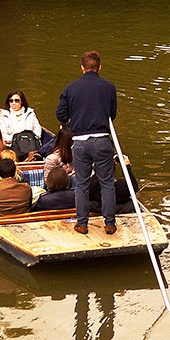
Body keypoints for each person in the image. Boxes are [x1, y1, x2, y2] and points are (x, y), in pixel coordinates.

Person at [56, 50, 118, 235]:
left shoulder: (70, 88)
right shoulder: (109, 87)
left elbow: (60, 115)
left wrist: (72, 122)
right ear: (99, 67)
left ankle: (82, 224)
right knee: (107, 184)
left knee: (81, 184)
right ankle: (110, 224)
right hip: (101, 140)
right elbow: (111, 115)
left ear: (82, 68)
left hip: (80, 142)